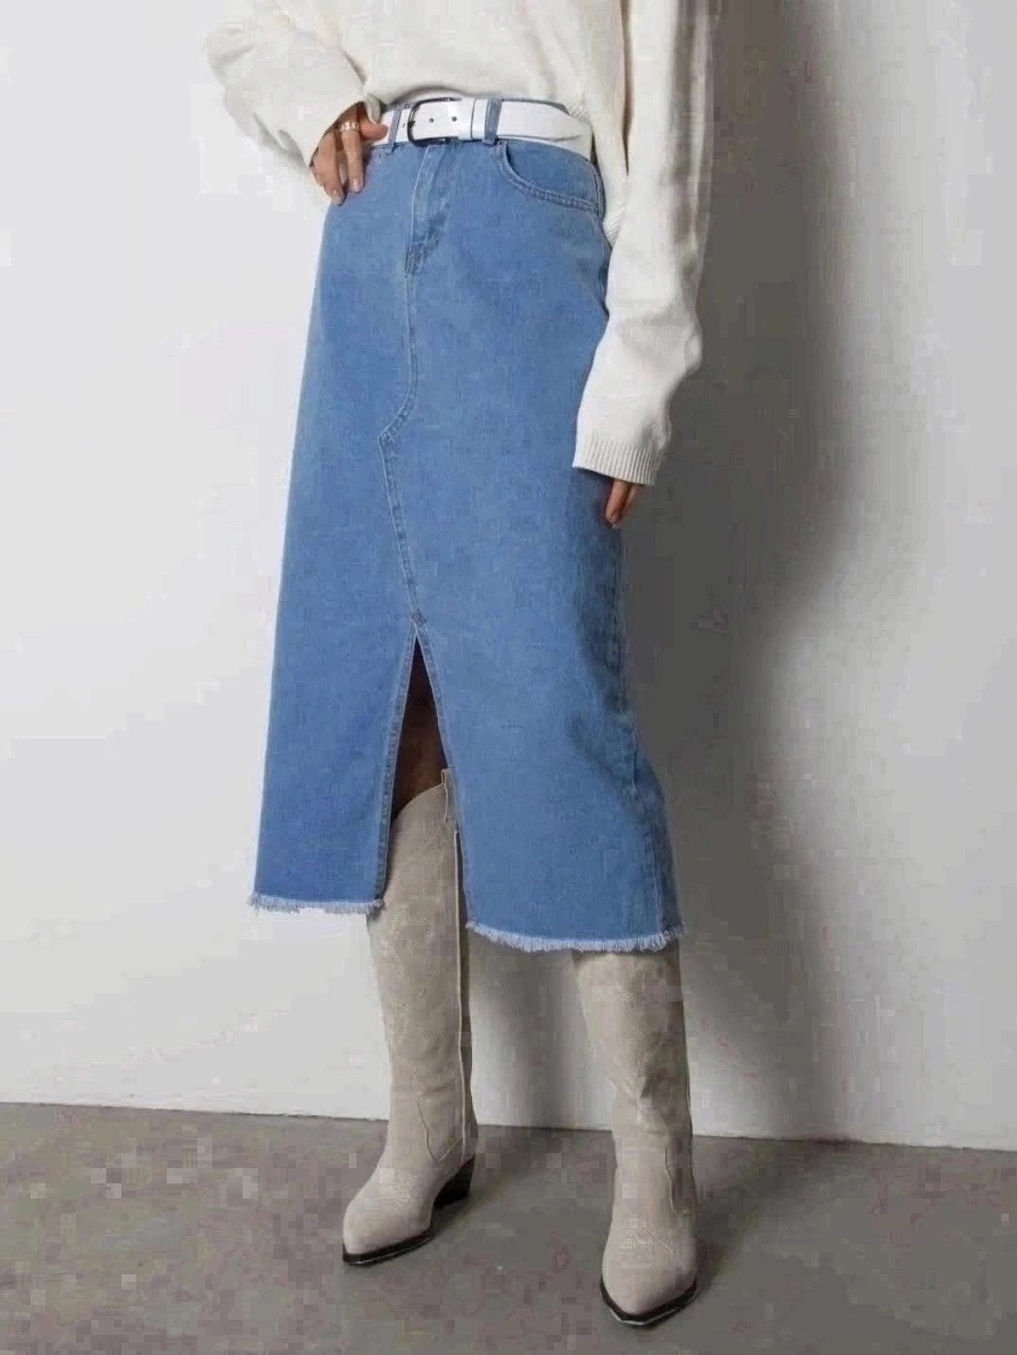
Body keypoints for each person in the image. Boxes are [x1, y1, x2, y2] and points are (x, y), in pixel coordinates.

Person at [206, 0, 719, 1328]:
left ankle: (656, 1165)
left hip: (537, 226)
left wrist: (642, 369)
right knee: (388, 698)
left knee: (558, 706)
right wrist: (314, 94)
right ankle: (429, 1122)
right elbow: (251, 24)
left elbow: (670, 113)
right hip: (375, 236)